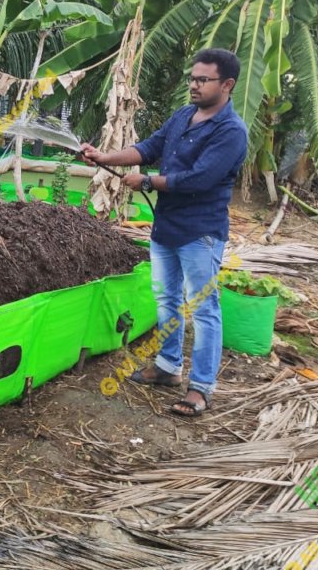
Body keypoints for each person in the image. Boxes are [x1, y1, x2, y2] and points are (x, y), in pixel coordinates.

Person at [81, 48, 248, 417]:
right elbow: (149, 147)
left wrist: (148, 181)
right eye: (193, 78)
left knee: (204, 310)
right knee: (166, 301)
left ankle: (201, 388)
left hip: (199, 233)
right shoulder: (184, 116)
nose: (194, 85)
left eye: (203, 80)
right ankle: (168, 368)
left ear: (228, 84)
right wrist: (104, 158)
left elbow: (201, 178)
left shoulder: (231, 132)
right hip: (166, 229)